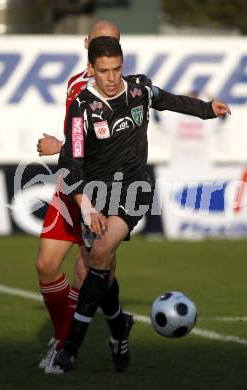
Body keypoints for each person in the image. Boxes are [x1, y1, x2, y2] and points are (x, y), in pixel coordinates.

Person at [55, 36, 231, 372]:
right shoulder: (81, 108)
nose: (111, 78)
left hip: (134, 190)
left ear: (123, 64)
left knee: (102, 250)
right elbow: (72, 160)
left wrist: (207, 110)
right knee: (100, 267)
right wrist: (85, 205)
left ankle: (71, 347)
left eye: (117, 69)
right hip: (95, 192)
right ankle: (120, 327)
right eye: (103, 71)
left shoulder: (139, 90)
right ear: (91, 69)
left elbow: (169, 101)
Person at [36, 21, 132, 375]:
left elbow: (107, 147)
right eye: (100, 42)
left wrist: (58, 148)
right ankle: (118, 324)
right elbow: (78, 143)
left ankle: (62, 345)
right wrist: (65, 151)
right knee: (47, 265)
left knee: (89, 269)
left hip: (106, 189)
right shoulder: (75, 86)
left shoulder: (126, 90)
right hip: (71, 184)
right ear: (88, 44)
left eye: (114, 44)